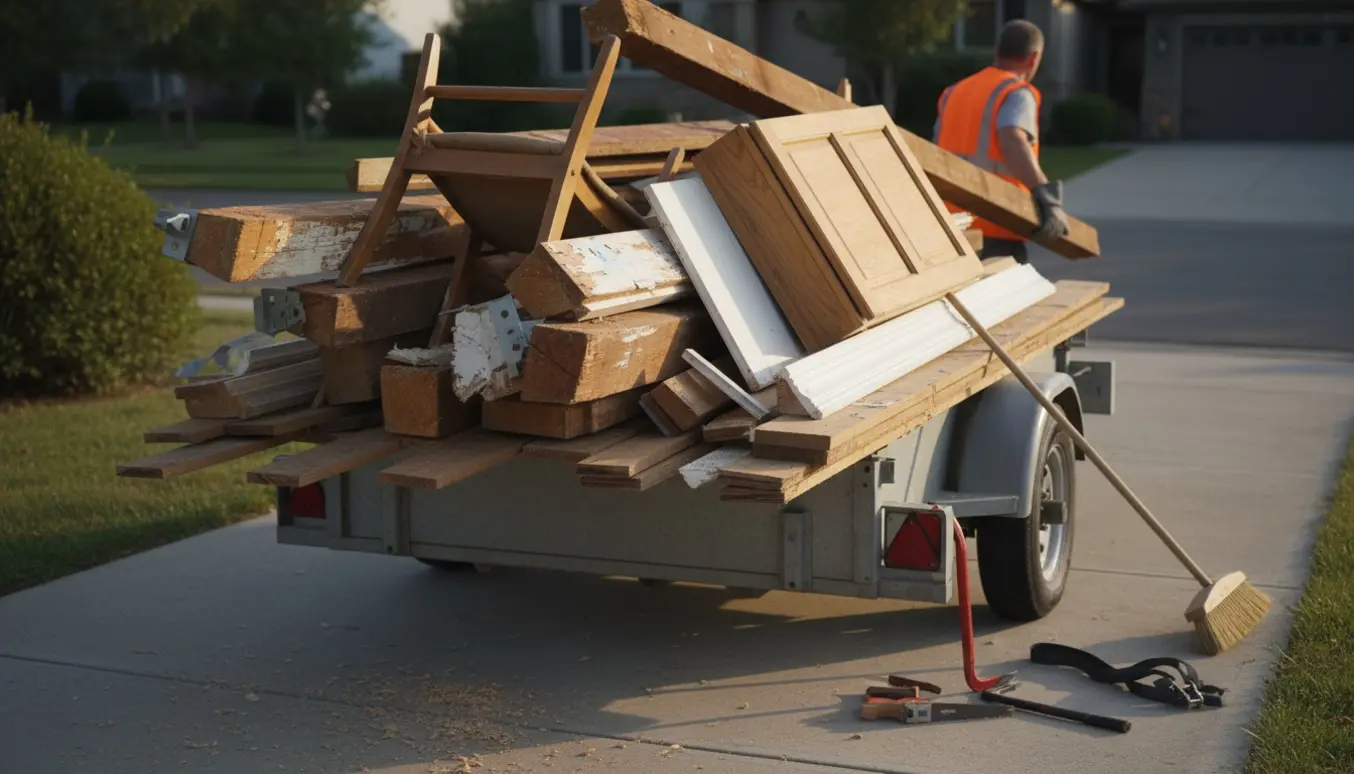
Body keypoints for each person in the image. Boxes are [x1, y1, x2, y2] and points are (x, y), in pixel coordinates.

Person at [933, 19, 1070, 264]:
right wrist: (1046, 197)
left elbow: (935, 149)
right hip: (997, 223)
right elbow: (1012, 138)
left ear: (996, 52)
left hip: (951, 224)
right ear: (1034, 57)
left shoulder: (954, 92)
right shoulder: (1016, 93)